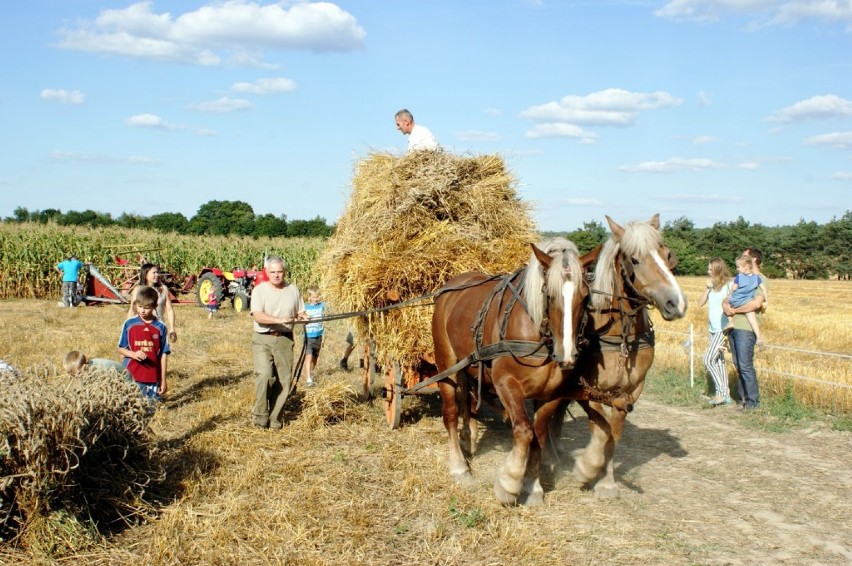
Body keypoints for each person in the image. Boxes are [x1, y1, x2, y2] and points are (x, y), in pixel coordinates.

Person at [250, 256, 306, 429]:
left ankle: (275, 420)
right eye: (272, 272)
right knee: (265, 375)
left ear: (285, 272)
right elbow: (258, 315)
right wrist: (280, 319)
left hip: (284, 339)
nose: (276, 275)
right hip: (262, 338)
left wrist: (304, 317)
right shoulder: (259, 290)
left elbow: (300, 312)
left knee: (284, 380)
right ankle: (260, 417)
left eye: (279, 272)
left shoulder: (293, 290)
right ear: (266, 272)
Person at [723, 262, 767, 411]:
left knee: (745, 365)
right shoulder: (740, 278)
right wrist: (726, 306)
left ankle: (752, 402)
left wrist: (734, 310)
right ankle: (742, 399)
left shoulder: (759, 279)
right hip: (734, 327)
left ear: (753, 261)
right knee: (738, 365)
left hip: (745, 329)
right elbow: (728, 297)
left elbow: (755, 304)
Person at [118, 285, 171, 408]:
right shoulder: (130, 324)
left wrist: (163, 379)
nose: (142, 311)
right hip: (132, 375)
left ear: (154, 307)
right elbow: (120, 348)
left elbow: (163, 355)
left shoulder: (160, 327)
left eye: (146, 308)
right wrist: (133, 354)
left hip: (152, 377)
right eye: (140, 306)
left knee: (151, 409)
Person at [696, 258, 733, 406]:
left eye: (710, 269)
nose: (708, 271)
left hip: (722, 329)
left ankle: (722, 392)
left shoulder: (729, 286)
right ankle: (724, 395)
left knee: (708, 359)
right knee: (718, 362)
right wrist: (707, 288)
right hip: (712, 329)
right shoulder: (712, 287)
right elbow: (699, 303)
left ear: (717, 270)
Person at [127, 263, 177, 344]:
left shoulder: (163, 289)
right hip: (141, 328)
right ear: (145, 274)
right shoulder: (137, 290)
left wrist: (172, 329)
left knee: (160, 354)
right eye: (154, 273)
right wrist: (127, 327)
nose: (157, 275)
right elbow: (132, 310)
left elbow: (169, 310)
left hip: (158, 328)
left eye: (157, 272)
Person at [724, 255, 765, 345]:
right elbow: (763, 288)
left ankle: (730, 322)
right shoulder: (757, 278)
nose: (737, 269)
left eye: (738, 267)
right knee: (752, 318)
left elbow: (734, 289)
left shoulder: (739, 277)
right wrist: (767, 299)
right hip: (747, 301)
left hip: (737, 300)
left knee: (726, 305)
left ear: (746, 267)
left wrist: (733, 288)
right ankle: (758, 337)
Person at [63, 350, 133, 383]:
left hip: (126, 379)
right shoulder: (86, 370)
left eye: (78, 374)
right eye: (73, 375)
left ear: (85, 366)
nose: (76, 377)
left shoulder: (100, 370)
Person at [303, 287, 325, 387]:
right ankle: (308, 379)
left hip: (318, 335)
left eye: (317, 297)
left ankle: (311, 373)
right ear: (309, 297)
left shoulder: (322, 306)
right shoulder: (305, 307)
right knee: (308, 356)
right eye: (314, 297)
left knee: (315, 357)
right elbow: (299, 315)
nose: (316, 299)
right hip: (308, 336)